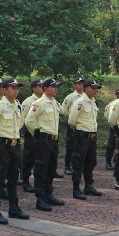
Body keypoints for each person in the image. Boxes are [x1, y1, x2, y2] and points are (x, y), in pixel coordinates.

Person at [0, 77, 30, 224]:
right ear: (4, 89)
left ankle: (13, 207)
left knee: (13, 177)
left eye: (17, 88)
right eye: (13, 88)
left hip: (15, 145)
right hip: (2, 146)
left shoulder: (17, 105)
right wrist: (0, 136)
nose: (16, 91)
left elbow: (20, 122)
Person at [25, 78, 67, 211]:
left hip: (53, 140)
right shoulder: (39, 103)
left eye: (56, 86)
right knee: (41, 169)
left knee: (51, 168)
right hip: (43, 139)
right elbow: (29, 121)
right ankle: (40, 198)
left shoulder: (54, 103)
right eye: (53, 86)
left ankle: (49, 194)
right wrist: (37, 135)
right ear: (46, 88)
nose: (56, 89)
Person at [68, 79, 103, 200]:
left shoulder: (93, 102)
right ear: (85, 88)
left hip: (92, 136)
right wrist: (80, 131)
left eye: (96, 88)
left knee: (90, 162)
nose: (95, 90)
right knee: (78, 162)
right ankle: (76, 189)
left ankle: (88, 186)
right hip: (82, 135)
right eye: (93, 88)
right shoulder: (80, 102)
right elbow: (71, 121)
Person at [20, 79, 44, 192]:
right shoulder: (28, 101)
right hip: (32, 134)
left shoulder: (46, 101)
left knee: (40, 160)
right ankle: (25, 181)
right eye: (40, 86)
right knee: (28, 159)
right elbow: (23, 118)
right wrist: (33, 132)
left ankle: (39, 182)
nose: (42, 87)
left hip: (43, 135)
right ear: (34, 88)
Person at [61, 77, 86, 175]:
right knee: (70, 145)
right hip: (72, 124)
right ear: (74, 85)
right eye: (78, 84)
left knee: (82, 146)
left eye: (82, 83)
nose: (80, 85)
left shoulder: (86, 96)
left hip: (83, 125)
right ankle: (67, 166)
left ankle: (79, 165)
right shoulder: (70, 97)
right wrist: (72, 115)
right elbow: (63, 109)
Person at [104, 88, 119, 170]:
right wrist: (113, 125)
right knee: (111, 144)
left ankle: (118, 161)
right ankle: (108, 162)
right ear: (116, 94)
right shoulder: (112, 104)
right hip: (114, 127)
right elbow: (107, 115)